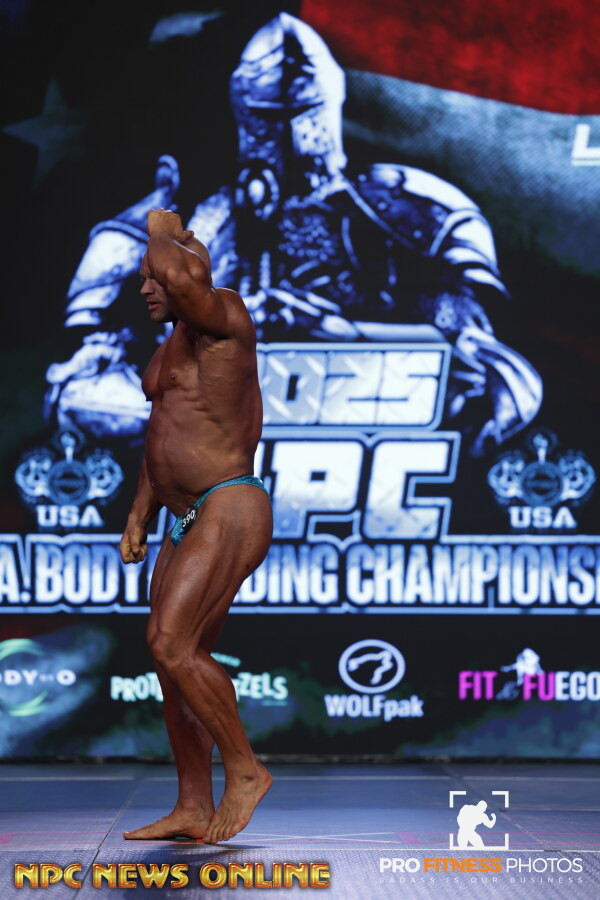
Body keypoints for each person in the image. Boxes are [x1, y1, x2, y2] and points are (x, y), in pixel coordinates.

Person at [119, 207, 273, 843]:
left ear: (187, 275)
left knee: (172, 643)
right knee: (174, 661)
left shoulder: (226, 316)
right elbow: (164, 436)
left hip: (228, 503)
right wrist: (139, 515)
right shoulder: (172, 348)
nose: (146, 288)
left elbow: (183, 276)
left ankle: (246, 769)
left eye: (153, 277)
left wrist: (164, 230)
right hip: (183, 516)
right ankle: (191, 803)